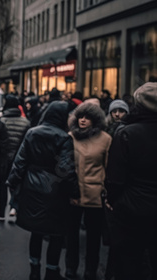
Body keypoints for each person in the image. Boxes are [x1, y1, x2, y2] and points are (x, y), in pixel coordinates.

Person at [6, 101, 77, 280]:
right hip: (55, 191)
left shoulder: (32, 133)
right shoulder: (64, 138)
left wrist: (13, 183)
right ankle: (51, 271)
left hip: (32, 187)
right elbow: (66, 170)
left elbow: (20, 161)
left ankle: (34, 269)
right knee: (55, 234)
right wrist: (75, 192)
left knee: (36, 232)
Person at [105, 82, 157, 280]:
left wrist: (113, 200)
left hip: (132, 208)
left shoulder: (126, 132)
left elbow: (115, 177)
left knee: (130, 263)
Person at [65, 102, 112, 280]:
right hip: (74, 192)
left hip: (95, 193)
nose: (83, 120)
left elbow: (108, 169)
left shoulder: (106, 139)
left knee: (94, 236)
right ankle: (70, 266)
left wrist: (107, 192)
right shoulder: (70, 137)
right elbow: (65, 165)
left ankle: (90, 269)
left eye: (87, 117)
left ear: (95, 120)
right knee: (72, 234)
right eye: (80, 117)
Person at [0, 95, 30, 218]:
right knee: (17, 184)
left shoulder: (1, 121)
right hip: (19, 158)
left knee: (2, 185)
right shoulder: (26, 122)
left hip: (4, 158)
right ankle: (15, 207)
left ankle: (1, 211)